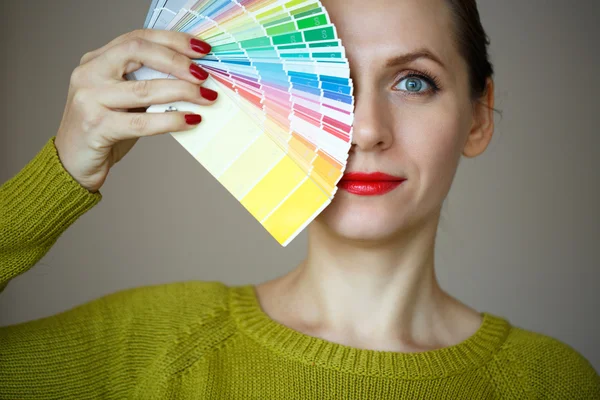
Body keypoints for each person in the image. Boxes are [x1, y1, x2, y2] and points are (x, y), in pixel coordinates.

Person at [1, 0, 599, 398]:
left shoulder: (550, 381)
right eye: (326, 81)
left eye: (413, 81)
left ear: (478, 115)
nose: (366, 130)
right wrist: (57, 177)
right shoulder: (149, 346)